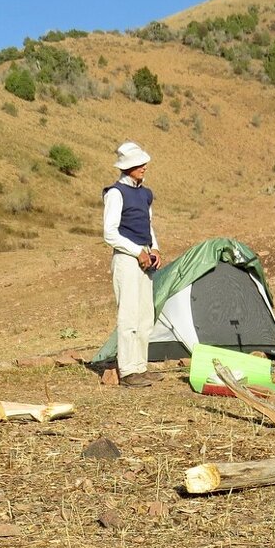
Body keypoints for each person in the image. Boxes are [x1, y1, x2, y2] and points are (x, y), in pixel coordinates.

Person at [103, 141, 166, 388]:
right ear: (128, 167)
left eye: (144, 163)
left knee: (144, 315)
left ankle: (141, 366)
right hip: (127, 260)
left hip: (144, 258)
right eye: (139, 164)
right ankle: (128, 370)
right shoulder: (115, 193)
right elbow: (109, 232)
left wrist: (155, 248)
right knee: (128, 314)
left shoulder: (145, 193)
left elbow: (147, 225)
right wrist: (136, 251)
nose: (144, 167)